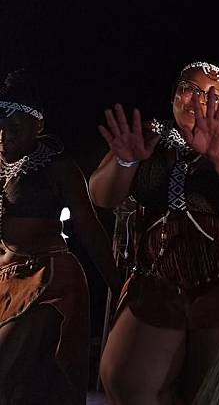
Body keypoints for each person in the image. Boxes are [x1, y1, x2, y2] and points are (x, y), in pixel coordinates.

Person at [90, 62, 219, 404]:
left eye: (211, 96)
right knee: (125, 380)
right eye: (189, 88)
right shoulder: (148, 135)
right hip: (159, 274)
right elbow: (101, 196)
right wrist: (126, 162)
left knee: (208, 391)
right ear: (174, 94)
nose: (195, 100)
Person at [0, 70, 120, 404]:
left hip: (48, 283)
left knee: (9, 367)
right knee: (22, 386)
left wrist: (118, 284)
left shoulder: (59, 168)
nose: (4, 135)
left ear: (38, 125)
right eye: (0, 126)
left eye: (15, 128)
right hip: (3, 282)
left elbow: (88, 226)